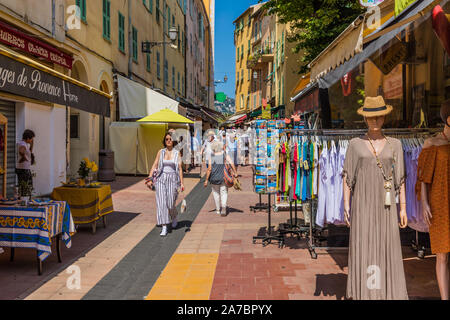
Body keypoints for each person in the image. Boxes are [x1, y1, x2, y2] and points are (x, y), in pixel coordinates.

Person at [343, 96, 408, 300]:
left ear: (384, 117)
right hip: (362, 204)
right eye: (371, 117)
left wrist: (403, 208)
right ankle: (368, 292)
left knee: (385, 246)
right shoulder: (355, 144)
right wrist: (346, 204)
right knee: (366, 247)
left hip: (386, 206)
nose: (375, 121)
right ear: (365, 119)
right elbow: (347, 177)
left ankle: (384, 293)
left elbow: (401, 179)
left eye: (378, 117)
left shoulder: (395, 145)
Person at [416, 100, 449, 300]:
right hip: (440, 203)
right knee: (443, 254)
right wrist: (424, 203)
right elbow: (423, 177)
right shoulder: (433, 143)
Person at [146, 132, 185, 237]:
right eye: (166, 139)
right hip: (161, 178)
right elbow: (155, 165)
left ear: (173, 141)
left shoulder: (177, 153)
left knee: (170, 203)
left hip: (173, 179)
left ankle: (174, 216)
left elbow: (180, 169)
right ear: (164, 141)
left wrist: (182, 183)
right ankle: (164, 226)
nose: (168, 140)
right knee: (162, 203)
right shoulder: (161, 152)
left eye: (170, 139)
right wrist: (150, 179)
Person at [204, 141, 237, 216]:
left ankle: (218, 209)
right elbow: (231, 163)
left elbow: (209, 169)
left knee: (216, 194)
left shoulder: (211, 156)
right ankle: (224, 208)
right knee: (224, 192)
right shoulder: (224, 155)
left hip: (213, 178)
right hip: (223, 178)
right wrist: (235, 172)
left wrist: (206, 180)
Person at [16, 129, 35, 197]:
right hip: (23, 169)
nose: (31, 140)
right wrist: (24, 157)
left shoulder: (24, 144)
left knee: (26, 187)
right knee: (25, 187)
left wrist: (31, 144)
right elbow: (21, 151)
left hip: (24, 168)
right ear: (27, 138)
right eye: (31, 139)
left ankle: (25, 199)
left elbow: (29, 151)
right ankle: (24, 200)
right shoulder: (22, 144)